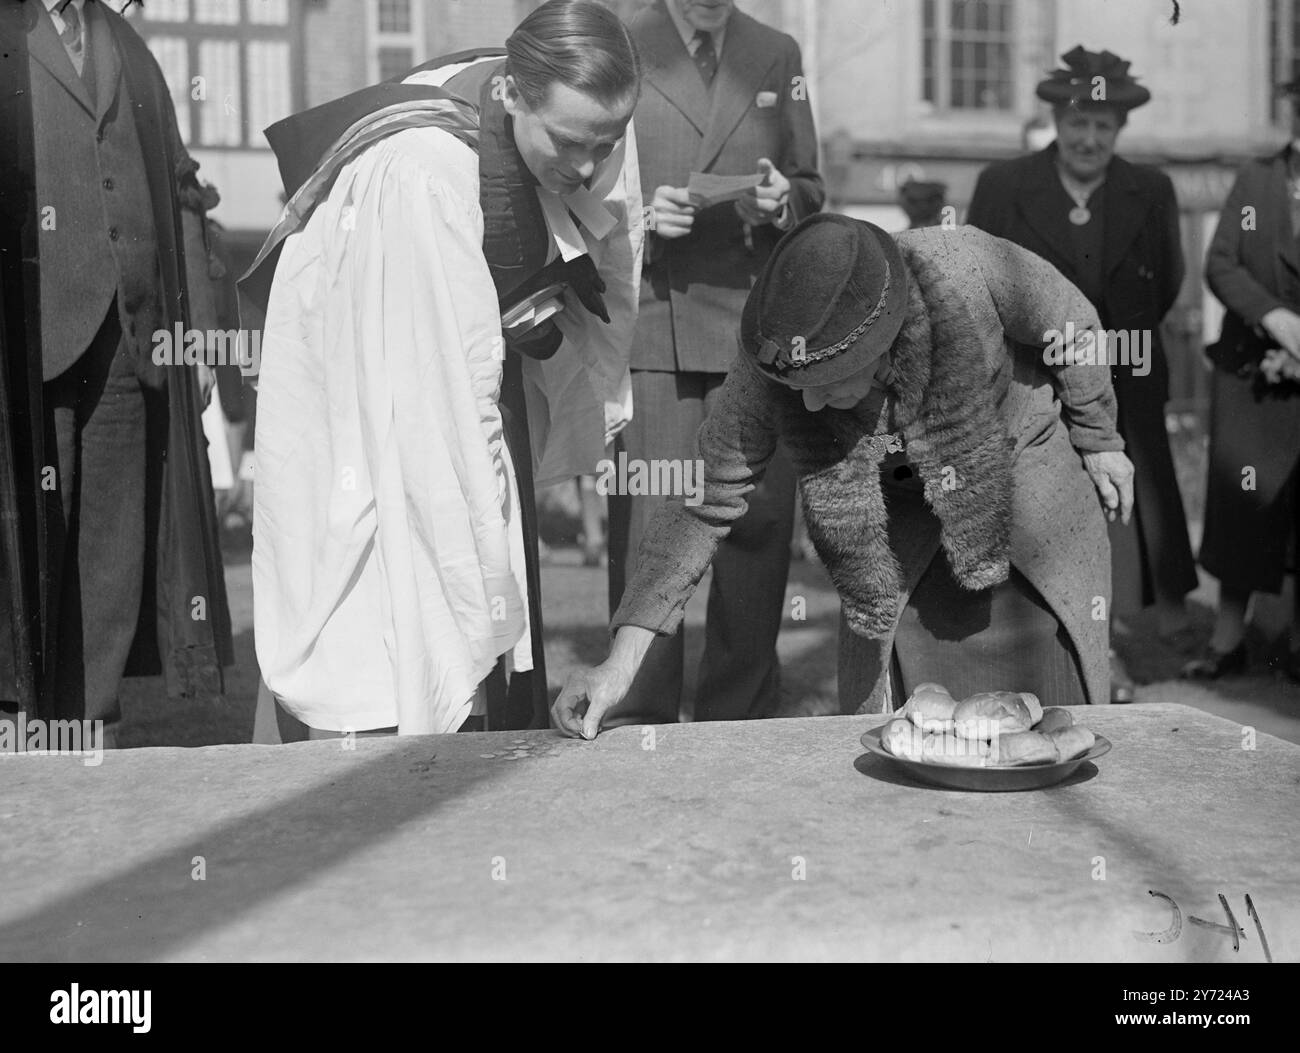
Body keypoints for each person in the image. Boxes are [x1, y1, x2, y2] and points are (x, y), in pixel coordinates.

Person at [554, 215, 1136, 739]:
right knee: (912, 737)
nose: (807, 408)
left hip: (1022, 487)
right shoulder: (772, 361)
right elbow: (702, 503)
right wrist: (619, 663)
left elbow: (1075, 326)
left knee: (1046, 731)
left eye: (830, 381)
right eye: (799, 387)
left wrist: (1100, 438)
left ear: (883, 346)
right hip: (894, 524)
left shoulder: (968, 269)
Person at [241, 0, 643, 738]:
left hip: (449, 387)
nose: (588, 167)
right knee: (393, 599)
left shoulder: (552, 120)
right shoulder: (424, 174)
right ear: (512, 93)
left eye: (607, 141)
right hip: (380, 405)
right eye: (571, 143)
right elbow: (443, 399)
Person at [0, 0, 232, 744]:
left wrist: (195, 337)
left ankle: (85, 722)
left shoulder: (129, 46)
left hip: (131, 342)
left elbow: (183, 191)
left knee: (111, 543)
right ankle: (14, 719)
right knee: (21, 536)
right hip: (23, 339)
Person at [607, 0, 824, 726]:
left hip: (754, 336)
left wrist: (781, 201)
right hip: (657, 332)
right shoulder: (620, 44)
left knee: (756, 531)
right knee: (653, 525)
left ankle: (740, 719)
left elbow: (813, 187)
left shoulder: (777, 52)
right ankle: (637, 710)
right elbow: (575, 179)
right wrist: (640, 219)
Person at [967, 46, 1194, 703]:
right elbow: (975, 272)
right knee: (1036, 507)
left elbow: (1169, 278)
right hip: (1031, 380)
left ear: (1119, 131)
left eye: (1103, 126)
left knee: (1119, 511)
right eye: (1077, 123)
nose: (1088, 138)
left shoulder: (1150, 191)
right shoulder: (1004, 184)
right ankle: (1027, 652)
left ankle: (1108, 648)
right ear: (1056, 122)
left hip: (1126, 374)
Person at [1188, 76, 1300, 681]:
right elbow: (1221, 263)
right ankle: (1227, 640)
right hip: (1252, 372)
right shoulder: (1257, 181)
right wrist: (1277, 320)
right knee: (1242, 503)